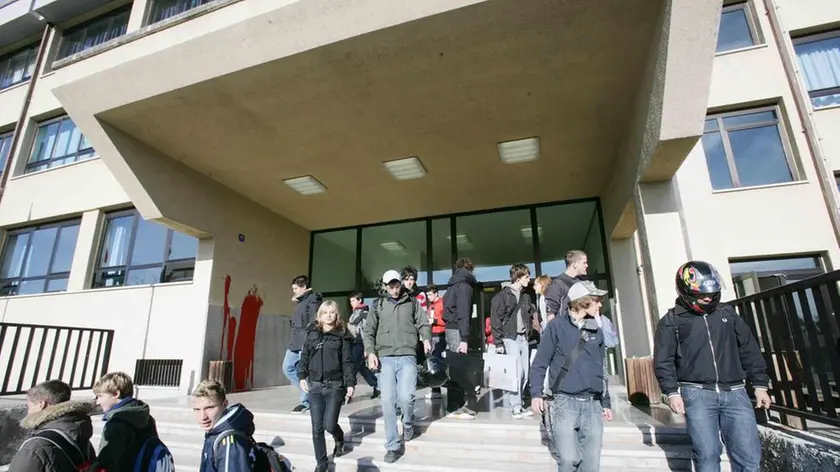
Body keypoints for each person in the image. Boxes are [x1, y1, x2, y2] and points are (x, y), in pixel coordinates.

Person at [654, 261, 771, 472]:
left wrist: (760, 384)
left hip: (736, 393)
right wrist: (671, 392)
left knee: (749, 456)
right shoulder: (672, 321)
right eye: (702, 294)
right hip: (697, 395)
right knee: (707, 455)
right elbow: (664, 361)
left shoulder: (728, 313)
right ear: (686, 290)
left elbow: (749, 349)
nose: (708, 298)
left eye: (712, 292)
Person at [531, 281, 613, 472]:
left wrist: (606, 402)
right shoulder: (556, 327)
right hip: (563, 403)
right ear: (582, 302)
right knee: (568, 460)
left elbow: (602, 368)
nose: (600, 305)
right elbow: (540, 362)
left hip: (592, 404)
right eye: (596, 301)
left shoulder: (597, 330)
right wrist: (536, 393)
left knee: (591, 465)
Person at [363, 270, 432, 463]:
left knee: (407, 397)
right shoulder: (377, 305)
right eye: (390, 286)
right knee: (387, 401)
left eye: (396, 285)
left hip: (408, 355)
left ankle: (408, 424)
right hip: (385, 358)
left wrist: (426, 339)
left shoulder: (412, 303)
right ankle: (392, 445)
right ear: (385, 286)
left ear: (401, 284)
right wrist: (370, 351)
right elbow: (368, 331)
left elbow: (423, 324)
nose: (394, 290)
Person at [299, 300, 356, 472]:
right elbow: (305, 357)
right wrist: (302, 376)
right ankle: (321, 463)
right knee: (317, 428)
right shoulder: (312, 334)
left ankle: (339, 438)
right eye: (325, 312)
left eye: (332, 312)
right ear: (320, 316)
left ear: (337, 315)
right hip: (315, 386)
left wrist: (350, 383)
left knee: (329, 424)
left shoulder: (343, 336)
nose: (329, 316)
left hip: (335, 386)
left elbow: (347, 362)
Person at [9, 380, 95, 472]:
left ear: (41, 404)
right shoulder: (81, 435)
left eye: (29, 406)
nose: (28, 412)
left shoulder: (36, 446)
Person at [91, 372, 167, 472]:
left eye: (100, 396)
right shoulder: (144, 416)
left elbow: (108, 462)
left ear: (116, 394)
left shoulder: (116, 424)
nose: (97, 402)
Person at [490, 263, 535, 419]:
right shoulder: (502, 296)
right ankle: (516, 405)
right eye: (527, 277)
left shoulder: (526, 296)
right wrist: (498, 342)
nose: (529, 280)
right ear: (518, 277)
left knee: (526, 374)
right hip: (510, 337)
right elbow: (495, 320)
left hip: (523, 338)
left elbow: (529, 316)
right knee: (517, 371)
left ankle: (518, 403)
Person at [192, 380, 258, 472]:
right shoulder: (215, 434)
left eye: (209, 408)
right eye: (197, 409)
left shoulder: (228, 442)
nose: (203, 417)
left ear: (224, 405)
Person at [442, 257, 478, 419]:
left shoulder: (451, 287)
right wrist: (464, 338)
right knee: (460, 369)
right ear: (469, 269)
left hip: (450, 329)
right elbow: (464, 313)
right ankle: (459, 406)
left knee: (454, 368)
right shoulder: (464, 287)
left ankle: (453, 404)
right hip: (458, 330)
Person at [284, 275, 323, 414]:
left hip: (305, 341)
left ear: (303, 287)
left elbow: (314, 321)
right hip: (294, 341)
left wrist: (310, 340)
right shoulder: (301, 301)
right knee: (287, 367)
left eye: (295, 288)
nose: (294, 291)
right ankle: (309, 393)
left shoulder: (313, 299)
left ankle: (306, 401)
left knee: (303, 370)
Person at [348, 293, 379, 398]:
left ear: (359, 300)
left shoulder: (364, 313)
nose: (351, 303)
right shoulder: (354, 313)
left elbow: (366, 331)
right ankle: (377, 385)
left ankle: (346, 391)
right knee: (362, 368)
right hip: (354, 343)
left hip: (360, 343)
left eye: (353, 301)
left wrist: (367, 348)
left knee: (352, 368)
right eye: (350, 301)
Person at [544, 250, 588, 322]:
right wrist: (554, 331)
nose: (587, 265)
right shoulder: (557, 284)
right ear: (574, 264)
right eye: (584, 263)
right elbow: (551, 313)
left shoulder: (580, 283)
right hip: (565, 330)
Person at [425, 285, 447, 401]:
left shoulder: (442, 304)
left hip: (440, 336)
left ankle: (438, 389)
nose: (428, 297)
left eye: (430, 294)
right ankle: (435, 390)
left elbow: (447, 320)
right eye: (427, 295)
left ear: (436, 293)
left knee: (438, 365)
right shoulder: (431, 306)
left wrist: (435, 321)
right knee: (433, 364)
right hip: (432, 336)